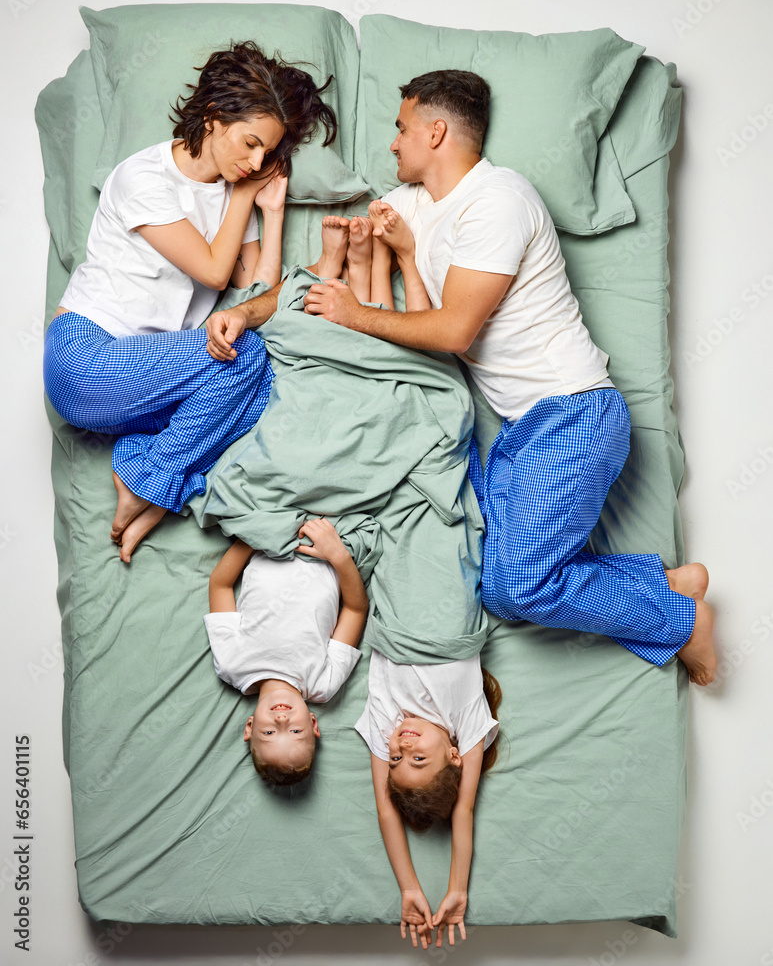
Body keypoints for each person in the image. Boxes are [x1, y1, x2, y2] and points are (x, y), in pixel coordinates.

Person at [295, 69, 716, 686]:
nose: (392, 144)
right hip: (524, 431)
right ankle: (665, 582)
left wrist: (354, 314)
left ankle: (680, 620)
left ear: (436, 131)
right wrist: (392, 255)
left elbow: (453, 332)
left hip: (575, 413)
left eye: (402, 127)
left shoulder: (500, 199)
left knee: (514, 588)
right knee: (487, 570)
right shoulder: (411, 207)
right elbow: (421, 324)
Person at [43, 41, 337, 562]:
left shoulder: (233, 195)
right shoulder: (144, 177)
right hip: (85, 358)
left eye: (267, 154)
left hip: (150, 380)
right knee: (245, 358)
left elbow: (252, 291)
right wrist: (247, 197)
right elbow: (212, 270)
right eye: (249, 144)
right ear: (212, 116)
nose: (256, 162)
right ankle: (151, 485)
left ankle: (147, 481)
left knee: (265, 387)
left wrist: (271, 214)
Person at [206, 517, 368, 786]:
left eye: (269, 732)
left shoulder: (231, 664)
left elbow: (220, 585)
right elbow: (355, 609)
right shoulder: (323, 685)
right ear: (314, 725)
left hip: (268, 533)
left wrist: (257, 534)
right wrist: (338, 555)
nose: (281, 718)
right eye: (294, 730)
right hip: (331, 544)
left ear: (249, 727)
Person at [355, 654, 500, 948]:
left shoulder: (387, 721)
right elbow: (463, 809)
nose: (404, 746)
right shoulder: (466, 719)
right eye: (418, 759)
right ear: (454, 756)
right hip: (450, 628)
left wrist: (409, 889)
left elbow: (386, 810)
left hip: (396, 622)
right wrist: (458, 889)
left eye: (395, 759)